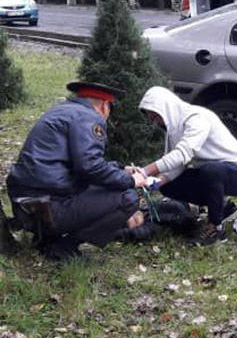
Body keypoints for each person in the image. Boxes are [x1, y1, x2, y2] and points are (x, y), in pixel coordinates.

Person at [6, 81, 146, 260]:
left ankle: (46, 238)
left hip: (26, 205)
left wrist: (121, 169)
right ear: (105, 105)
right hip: (49, 207)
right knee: (128, 197)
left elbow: (73, 162)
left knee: (103, 187)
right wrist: (131, 180)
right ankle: (63, 247)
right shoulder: (90, 117)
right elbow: (90, 167)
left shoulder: (61, 111)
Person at [138, 87, 237, 246]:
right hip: (214, 173)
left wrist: (144, 171)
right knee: (169, 186)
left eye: (156, 117)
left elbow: (182, 154)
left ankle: (215, 228)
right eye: (152, 120)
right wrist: (157, 182)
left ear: (166, 108)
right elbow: (177, 166)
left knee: (211, 171)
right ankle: (223, 208)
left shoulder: (197, 118)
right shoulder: (173, 129)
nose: (156, 123)